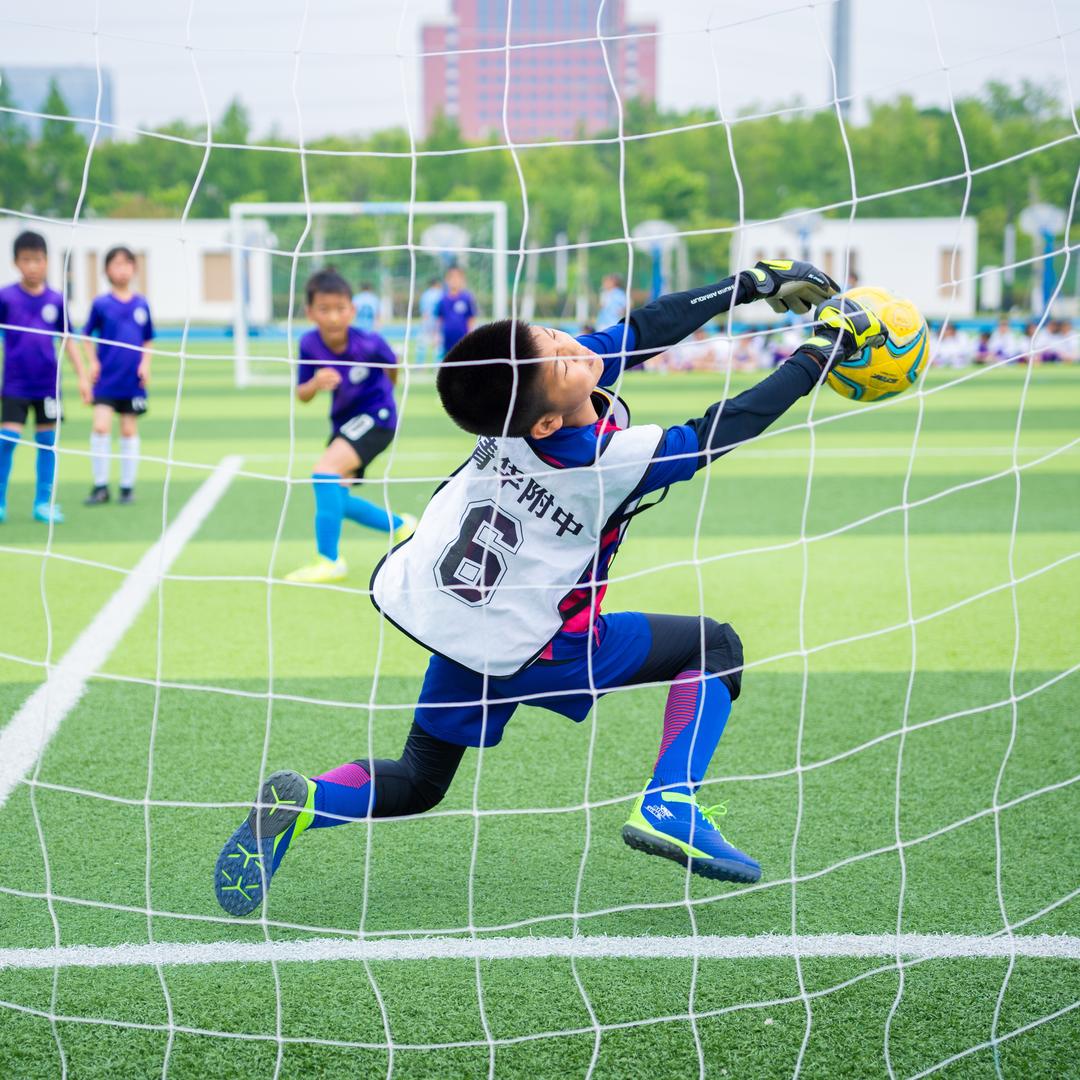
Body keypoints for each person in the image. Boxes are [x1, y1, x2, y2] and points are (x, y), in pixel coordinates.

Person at [212, 258, 892, 917]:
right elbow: (722, 427)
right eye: (563, 356)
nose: (574, 347)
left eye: (556, 337)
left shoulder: (517, 408)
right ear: (544, 421)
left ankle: (308, 802)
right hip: (547, 645)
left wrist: (750, 286)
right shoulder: (603, 462)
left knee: (420, 779)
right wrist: (818, 355)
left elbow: (640, 329)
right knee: (715, 647)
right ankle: (669, 802)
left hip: (465, 630)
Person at [284, 269, 416, 585]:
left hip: (377, 417)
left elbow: (392, 368)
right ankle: (402, 526)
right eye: (325, 309)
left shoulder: (369, 342)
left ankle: (329, 561)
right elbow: (302, 394)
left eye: (340, 309)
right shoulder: (309, 344)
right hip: (345, 423)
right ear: (310, 312)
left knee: (323, 473)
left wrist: (384, 399)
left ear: (352, 310)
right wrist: (315, 383)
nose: (333, 317)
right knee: (335, 496)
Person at [0, 230, 91, 524]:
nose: (33, 266)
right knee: (7, 439)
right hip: (15, 383)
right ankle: (0, 501)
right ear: (16, 262)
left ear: (47, 261)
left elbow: (68, 340)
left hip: (48, 385)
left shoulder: (56, 299)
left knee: (47, 442)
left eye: (38, 260)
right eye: (26, 260)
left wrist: (83, 377)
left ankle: (43, 503)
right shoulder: (6, 298)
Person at [82, 246, 154, 505]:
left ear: (134, 268)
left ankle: (127, 487)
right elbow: (86, 335)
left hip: (132, 380)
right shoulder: (101, 304)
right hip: (107, 379)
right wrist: (92, 362)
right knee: (101, 427)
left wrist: (146, 364)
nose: (122, 269)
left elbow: (148, 339)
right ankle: (100, 486)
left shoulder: (141, 303)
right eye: (116, 264)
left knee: (128, 430)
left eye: (126, 264)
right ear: (106, 270)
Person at [434, 266, 476, 358]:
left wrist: (471, 335)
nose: (455, 280)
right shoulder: (442, 299)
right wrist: (437, 335)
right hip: (447, 340)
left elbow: (471, 318)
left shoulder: (467, 298)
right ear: (447, 280)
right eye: (452, 277)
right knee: (448, 365)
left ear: (462, 280)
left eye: (457, 277)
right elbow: (439, 319)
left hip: (463, 339)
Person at [417, 276, 443, 365]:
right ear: (437, 284)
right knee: (438, 343)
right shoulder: (441, 294)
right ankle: (437, 364)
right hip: (437, 321)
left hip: (427, 320)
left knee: (422, 342)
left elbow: (424, 312)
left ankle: (420, 364)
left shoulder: (425, 295)